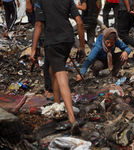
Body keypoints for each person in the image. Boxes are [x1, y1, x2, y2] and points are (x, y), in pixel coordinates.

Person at [30, 0, 85, 135]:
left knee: (61, 74)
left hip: (53, 40)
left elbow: (38, 24)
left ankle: (72, 119)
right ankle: (57, 102)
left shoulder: (41, 2)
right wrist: (82, 46)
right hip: (68, 39)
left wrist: (33, 49)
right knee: (52, 70)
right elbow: (79, 22)